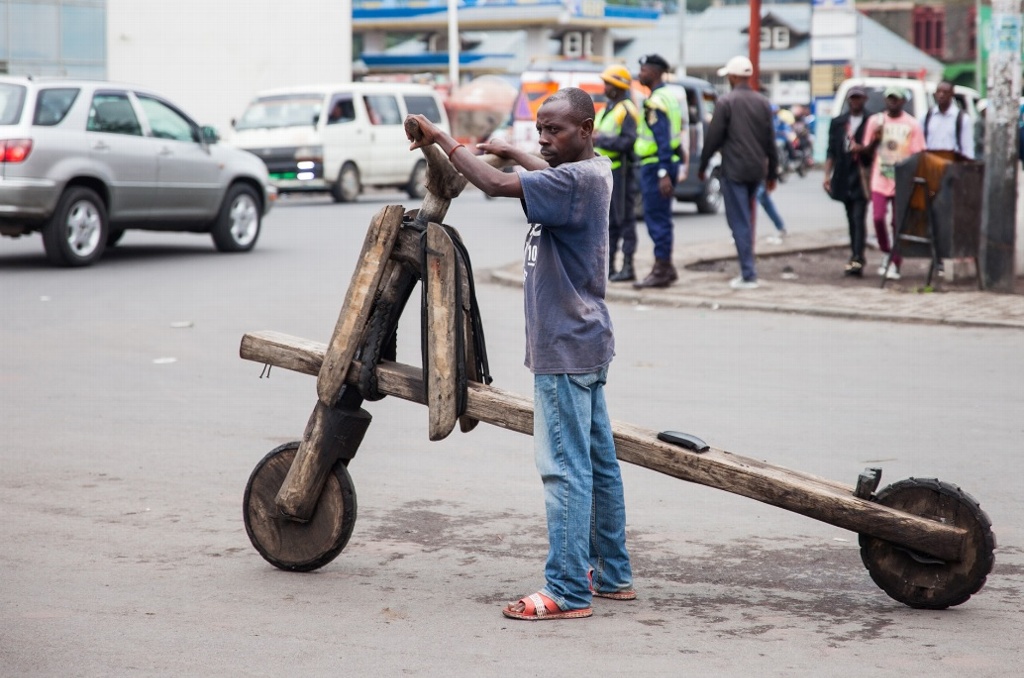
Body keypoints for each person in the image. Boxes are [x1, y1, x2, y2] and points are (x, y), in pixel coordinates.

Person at [406, 87, 635, 621]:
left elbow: (491, 184)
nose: (544, 140)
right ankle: (612, 573)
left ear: (587, 129)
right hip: (587, 341)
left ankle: (568, 591)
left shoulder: (570, 182)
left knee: (564, 469)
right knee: (598, 463)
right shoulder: (593, 171)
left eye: (555, 130)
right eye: (540, 130)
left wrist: (441, 136)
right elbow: (532, 169)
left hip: (564, 347)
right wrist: (515, 150)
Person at [698, 55, 777, 290]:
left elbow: (713, 139)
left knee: (739, 222)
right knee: (747, 220)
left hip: (734, 171)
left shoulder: (726, 102)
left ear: (733, 77)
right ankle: (748, 268)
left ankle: (748, 273)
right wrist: (772, 173)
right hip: (756, 170)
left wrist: (702, 167)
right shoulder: (762, 102)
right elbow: (770, 142)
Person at [862, 86, 925, 280]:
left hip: (902, 181)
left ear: (903, 102)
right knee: (878, 218)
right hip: (880, 178)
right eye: (889, 98)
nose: (892, 102)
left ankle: (895, 262)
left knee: (898, 223)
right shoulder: (875, 121)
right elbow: (866, 150)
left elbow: (918, 154)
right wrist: (876, 137)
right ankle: (886, 251)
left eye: (896, 99)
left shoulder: (912, 124)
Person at [633, 53, 683, 289]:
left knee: (657, 219)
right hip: (664, 162)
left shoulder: (655, 102)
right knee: (662, 218)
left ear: (653, 72)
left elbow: (663, 138)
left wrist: (663, 172)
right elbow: (676, 137)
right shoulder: (669, 97)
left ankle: (661, 270)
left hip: (655, 165)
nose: (640, 74)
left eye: (643, 70)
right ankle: (667, 267)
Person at [593, 65, 640, 282]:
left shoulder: (627, 110)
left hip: (621, 172)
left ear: (619, 86)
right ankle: (609, 268)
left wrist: (599, 140)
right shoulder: (607, 109)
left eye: (608, 83)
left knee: (625, 220)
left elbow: (628, 141)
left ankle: (628, 267)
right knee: (609, 222)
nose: (605, 87)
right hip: (606, 172)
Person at [823, 85, 872, 276]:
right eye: (853, 98)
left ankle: (858, 256)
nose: (855, 101)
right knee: (850, 216)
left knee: (859, 216)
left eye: (859, 98)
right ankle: (855, 254)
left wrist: (862, 149)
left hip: (862, 174)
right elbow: (831, 151)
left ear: (864, 99)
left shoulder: (871, 121)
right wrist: (827, 175)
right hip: (844, 174)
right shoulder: (838, 123)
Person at [925, 81, 974, 159]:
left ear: (952, 94)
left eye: (945, 92)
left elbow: (967, 148)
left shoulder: (962, 119)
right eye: (939, 92)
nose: (941, 95)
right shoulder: (927, 117)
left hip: (952, 165)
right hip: (931, 164)